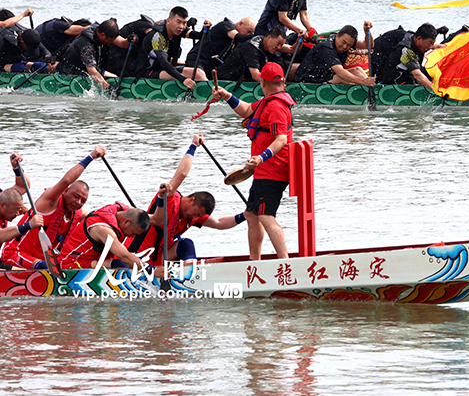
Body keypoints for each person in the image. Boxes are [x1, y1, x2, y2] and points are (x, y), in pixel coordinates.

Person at [210, 62, 296, 261]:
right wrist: (226, 96)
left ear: (262, 82)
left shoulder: (276, 106)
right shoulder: (268, 100)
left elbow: (281, 139)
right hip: (262, 170)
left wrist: (260, 157)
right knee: (252, 215)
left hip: (273, 169)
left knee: (266, 216)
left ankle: (286, 263)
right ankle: (254, 262)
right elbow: (248, 110)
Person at [125, 135, 242, 266]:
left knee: (186, 243)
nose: (195, 217)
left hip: (159, 258)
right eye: (197, 213)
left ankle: (190, 272)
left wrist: (246, 215)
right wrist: (193, 147)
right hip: (136, 256)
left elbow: (220, 223)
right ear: (192, 200)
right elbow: (182, 174)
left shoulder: (191, 218)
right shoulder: (170, 199)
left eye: (199, 216)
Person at [1, 147, 97, 269]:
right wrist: (91, 157)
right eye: (76, 196)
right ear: (66, 191)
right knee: (47, 266)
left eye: (83, 201)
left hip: (42, 258)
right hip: (15, 253)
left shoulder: (78, 213)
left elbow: (98, 219)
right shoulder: (50, 202)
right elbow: (65, 181)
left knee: (72, 263)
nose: (78, 202)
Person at [58, 201, 155, 274]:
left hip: (92, 260)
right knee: (122, 264)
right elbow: (125, 257)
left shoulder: (123, 211)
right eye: (133, 233)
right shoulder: (103, 228)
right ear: (127, 222)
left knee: (137, 260)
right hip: (71, 264)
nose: (132, 236)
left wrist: (161, 198)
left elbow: (156, 219)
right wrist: (152, 271)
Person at [134, 7, 206, 88]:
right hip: (147, 72)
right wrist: (183, 79)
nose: (181, 26)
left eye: (184, 23)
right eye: (178, 22)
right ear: (168, 20)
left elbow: (199, 36)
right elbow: (164, 62)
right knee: (180, 76)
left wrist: (205, 28)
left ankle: (211, 93)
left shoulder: (178, 30)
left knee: (198, 73)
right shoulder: (158, 37)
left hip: (164, 69)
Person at [294, 24, 375, 85]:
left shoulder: (346, 40)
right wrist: (362, 82)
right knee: (341, 78)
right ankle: (361, 92)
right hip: (307, 80)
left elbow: (368, 45)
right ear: (338, 35)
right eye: (343, 42)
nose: (344, 46)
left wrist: (367, 31)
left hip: (326, 75)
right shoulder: (327, 48)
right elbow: (340, 72)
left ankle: (371, 88)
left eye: (349, 45)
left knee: (357, 70)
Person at [182, 16, 255, 80]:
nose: (248, 35)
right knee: (200, 75)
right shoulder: (225, 25)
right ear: (240, 23)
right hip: (197, 59)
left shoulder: (237, 42)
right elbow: (239, 37)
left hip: (210, 65)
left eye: (251, 33)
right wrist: (258, 35)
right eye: (249, 31)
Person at [56, 19, 121, 88]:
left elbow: (122, 43)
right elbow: (92, 72)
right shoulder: (86, 46)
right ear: (103, 35)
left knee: (114, 76)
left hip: (85, 69)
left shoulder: (97, 30)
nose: (110, 43)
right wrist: (108, 88)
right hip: (69, 75)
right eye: (110, 41)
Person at [216, 27, 287, 82]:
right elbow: (255, 75)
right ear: (269, 37)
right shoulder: (252, 47)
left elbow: (291, 49)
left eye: (281, 45)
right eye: (278, 43)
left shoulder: (267, 46)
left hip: (244, 79)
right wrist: (275, 86)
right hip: (227, 80)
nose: (279, 47)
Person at [378, 23, 437, 88]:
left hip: (405, 74)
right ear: (419, 39)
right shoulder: (406, 51)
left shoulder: (413, 37)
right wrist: (437, 91)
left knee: (431, 73)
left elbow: (436, 46)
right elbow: (417, 75)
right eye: (430, 43)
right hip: (391, 83)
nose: (431, 47)